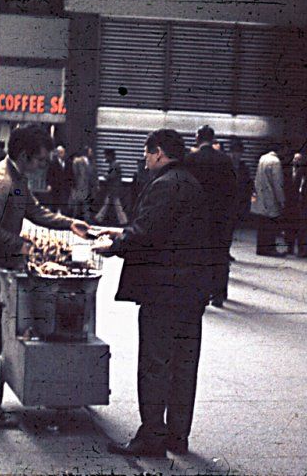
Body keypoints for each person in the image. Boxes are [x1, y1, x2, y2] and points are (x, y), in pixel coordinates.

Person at [0, 125, 90, 425]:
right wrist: (22, 245)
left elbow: (35, 211)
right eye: (41, 160)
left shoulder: (17, 177)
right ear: (24, 155)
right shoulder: (3, 183)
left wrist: (69, 223)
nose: (43, 166)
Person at [94, 129, 209, 457]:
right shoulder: (190, 182)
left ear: (159, 152)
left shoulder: (163, 185)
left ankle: (151, 436)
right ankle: (177, 435)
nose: (145, 161)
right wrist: (121, 232)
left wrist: (113, 245)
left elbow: (146, 234)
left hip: (163, 291)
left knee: (155, 363)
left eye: (147, 154)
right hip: (192, 289)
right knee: (185, 364)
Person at [185, 125, 237, 307]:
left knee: (199, 254)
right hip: (220, 216)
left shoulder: (191, 159)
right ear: (213, 138)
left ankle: (201, 292)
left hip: (197, 216)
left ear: (198, 138)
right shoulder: (225, 160)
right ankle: (219, 294)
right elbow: (232, 189)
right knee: (220, 254)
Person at [252, 144, 285, 257]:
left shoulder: (263, 158)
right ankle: (270, 248)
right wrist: (281, 200)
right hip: (271, 198)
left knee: (262, 225)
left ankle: (260, 248)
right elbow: (278, 183)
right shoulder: (275, 162)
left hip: (261, 196)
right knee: (271, 225)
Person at [228, 138, 253, 260]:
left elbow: (248, 186)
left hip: (238, 202)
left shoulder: (244, 168)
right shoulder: (225, 165)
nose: (236, 154)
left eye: (238, 152)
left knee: (232, 228)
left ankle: (227, 250)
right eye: (234, 151)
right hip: (227, 201)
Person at [95, 149, 129, 225]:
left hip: (114, 189)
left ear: (110, 156)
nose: (105, 158)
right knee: (112, 205)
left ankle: (123, 221)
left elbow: (111, 176)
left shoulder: (114, 165)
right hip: (114, 189)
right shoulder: (114, 164)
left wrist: (105, 175)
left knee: (115, 205)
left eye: (106, 156)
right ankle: (123, 220)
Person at [285, 152, 307, 255]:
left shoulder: (304, 173)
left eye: (299, 159)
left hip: (300, 203)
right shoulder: (288, 171)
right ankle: (289, 247)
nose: (296, 161)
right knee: (289, 226)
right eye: (295, 159)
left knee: (300, 227)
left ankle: (300, 249)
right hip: (290, 202)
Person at [69, 146, 97, 221]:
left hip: (88, 186)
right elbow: (74, 173)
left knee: (86, 203)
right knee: (77, 204)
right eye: (90, 151)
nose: (91, 153)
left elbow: (93, 173)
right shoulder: (78, 161)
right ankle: (74, 218)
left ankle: (86, 219)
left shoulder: (91, 161)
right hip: (79, 185)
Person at [46, 145, 73, 214]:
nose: (61, 154)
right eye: (60, 152)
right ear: (57, 153)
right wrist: (48, 184)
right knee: (54, 204)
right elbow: (49, 174)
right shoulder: (53, 163)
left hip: (65, 187)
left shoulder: (68, 163)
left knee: (64, 204)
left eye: (62, 152)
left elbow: (71, 175)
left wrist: (72, 185)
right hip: (55, 187)